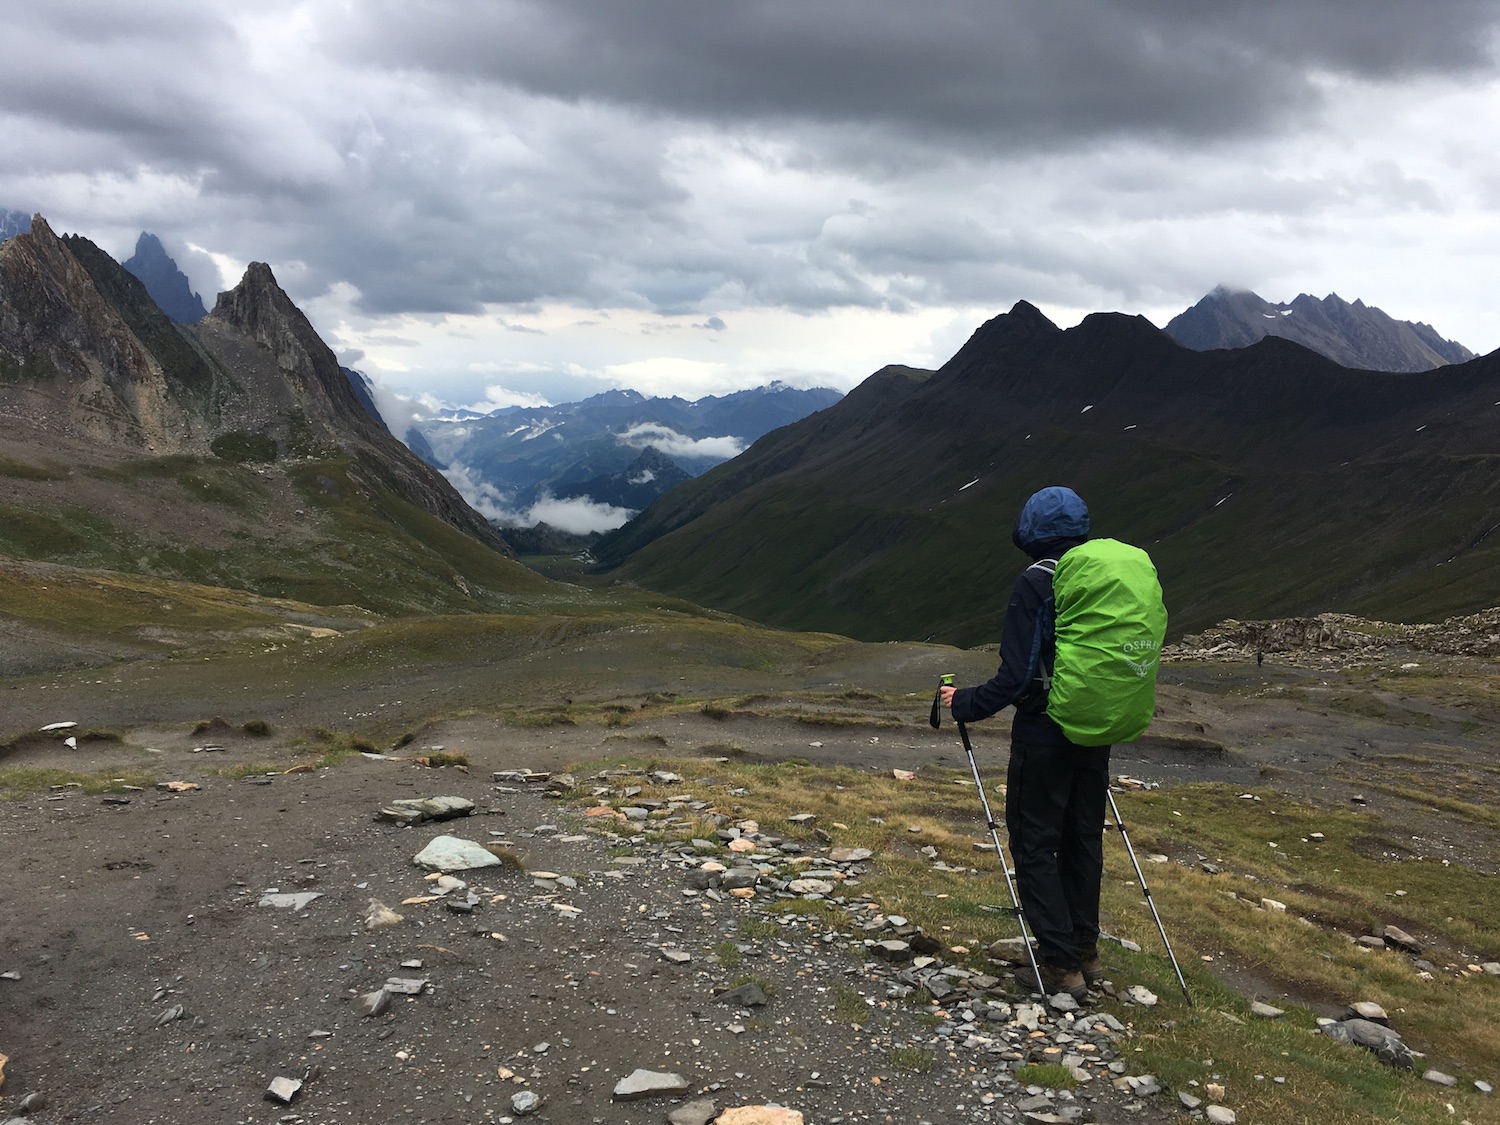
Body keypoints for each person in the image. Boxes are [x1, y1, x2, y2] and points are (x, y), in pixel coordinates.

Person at [939, 485, 1107, 1001]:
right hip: (1097, 723)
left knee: (1035, 841)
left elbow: (1016, 677)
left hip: (1045, 731)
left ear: (1029, 531)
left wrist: (963, 702)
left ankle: (1058, 966)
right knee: (1082, 837)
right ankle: (1083, 950)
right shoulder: (1100, 576)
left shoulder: (1038, 581)